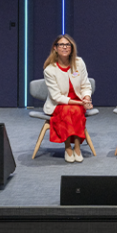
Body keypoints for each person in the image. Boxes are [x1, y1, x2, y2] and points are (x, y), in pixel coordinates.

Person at [43, 34, 93, 163]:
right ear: (55, 48)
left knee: (75, 111)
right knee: (69, 111)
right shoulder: (50, 70)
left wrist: (86, 98)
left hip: (78, 101)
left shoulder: (79, 62)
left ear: (71, 48)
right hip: (59, 103)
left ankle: (77, 147)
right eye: (61, 45)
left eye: (67, 45)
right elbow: (56, 96)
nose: (65, 47)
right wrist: (80, 103)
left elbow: (85, 85)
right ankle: (67, 148)